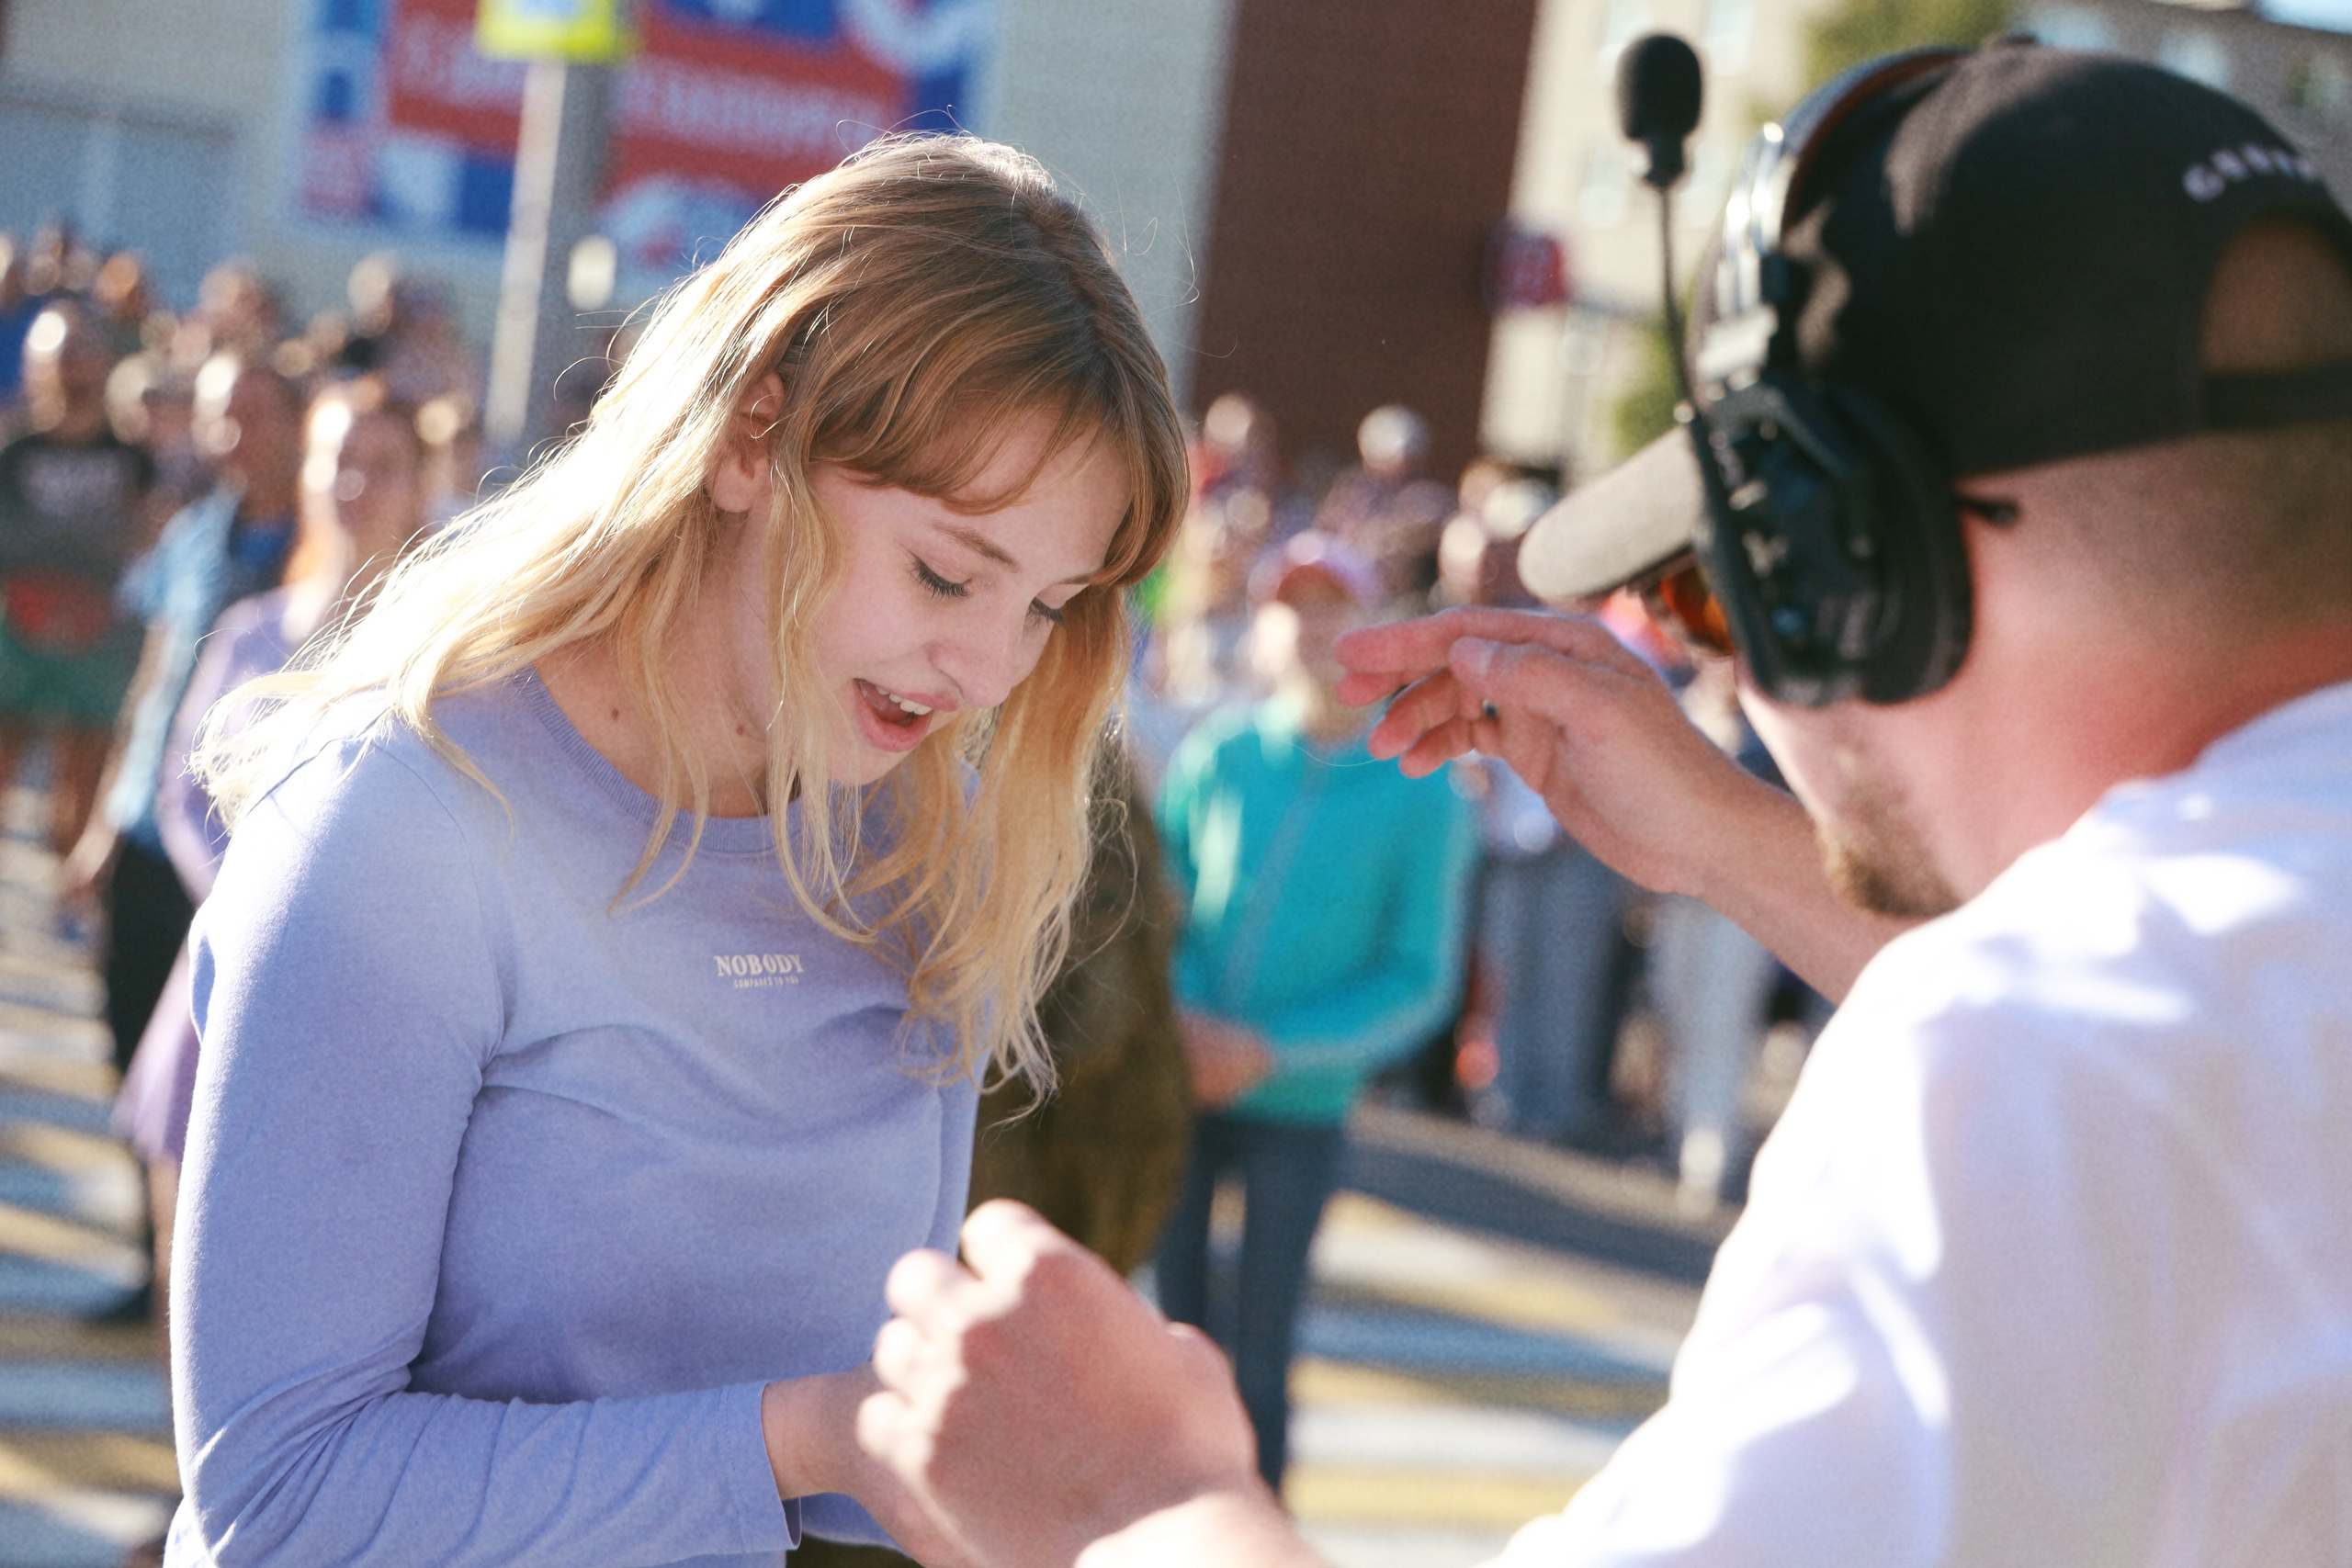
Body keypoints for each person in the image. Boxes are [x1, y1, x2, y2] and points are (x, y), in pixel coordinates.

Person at [854, 42, 2352, 1567]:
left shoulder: (2040, 1055)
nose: (1720, 652)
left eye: (1716, 589)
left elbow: (2115, 1046)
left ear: (1848, 575)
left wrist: (1132, 1500)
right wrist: (1732, 840)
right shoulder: (2200, 1002)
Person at [163, 134, 1184, 1567]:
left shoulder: (913, 833)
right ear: (752, 434)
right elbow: (280, 1498)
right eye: (947, 571)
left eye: (1049, 605)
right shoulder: (402, 824)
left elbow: (839, 1457)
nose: (990, 669)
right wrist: (817, 1429)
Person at [1150, 530, 1477, 1492]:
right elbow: (1161, 911)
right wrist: (1185, 1023)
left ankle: (1254, 1531)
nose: (1308, 626)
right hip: (1186, 1081)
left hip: (1299, 1106)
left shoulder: (1423, 789)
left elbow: (1418, 978)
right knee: (1170, 1340)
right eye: (1290, 605)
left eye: (1333, 605)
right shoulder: (1219, 754)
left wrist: (1271, 1051)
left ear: (1372, 627)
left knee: (1259, 1352)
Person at [0, 299, 152, 861]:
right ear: (35, 364)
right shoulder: (14, 449)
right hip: (15, 628)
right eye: (58, 354)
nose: (71, 366)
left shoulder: (133, 455)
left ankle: (72, 901)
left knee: (83, 779)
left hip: (101, 633)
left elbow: (144, 540)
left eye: (83, 351)